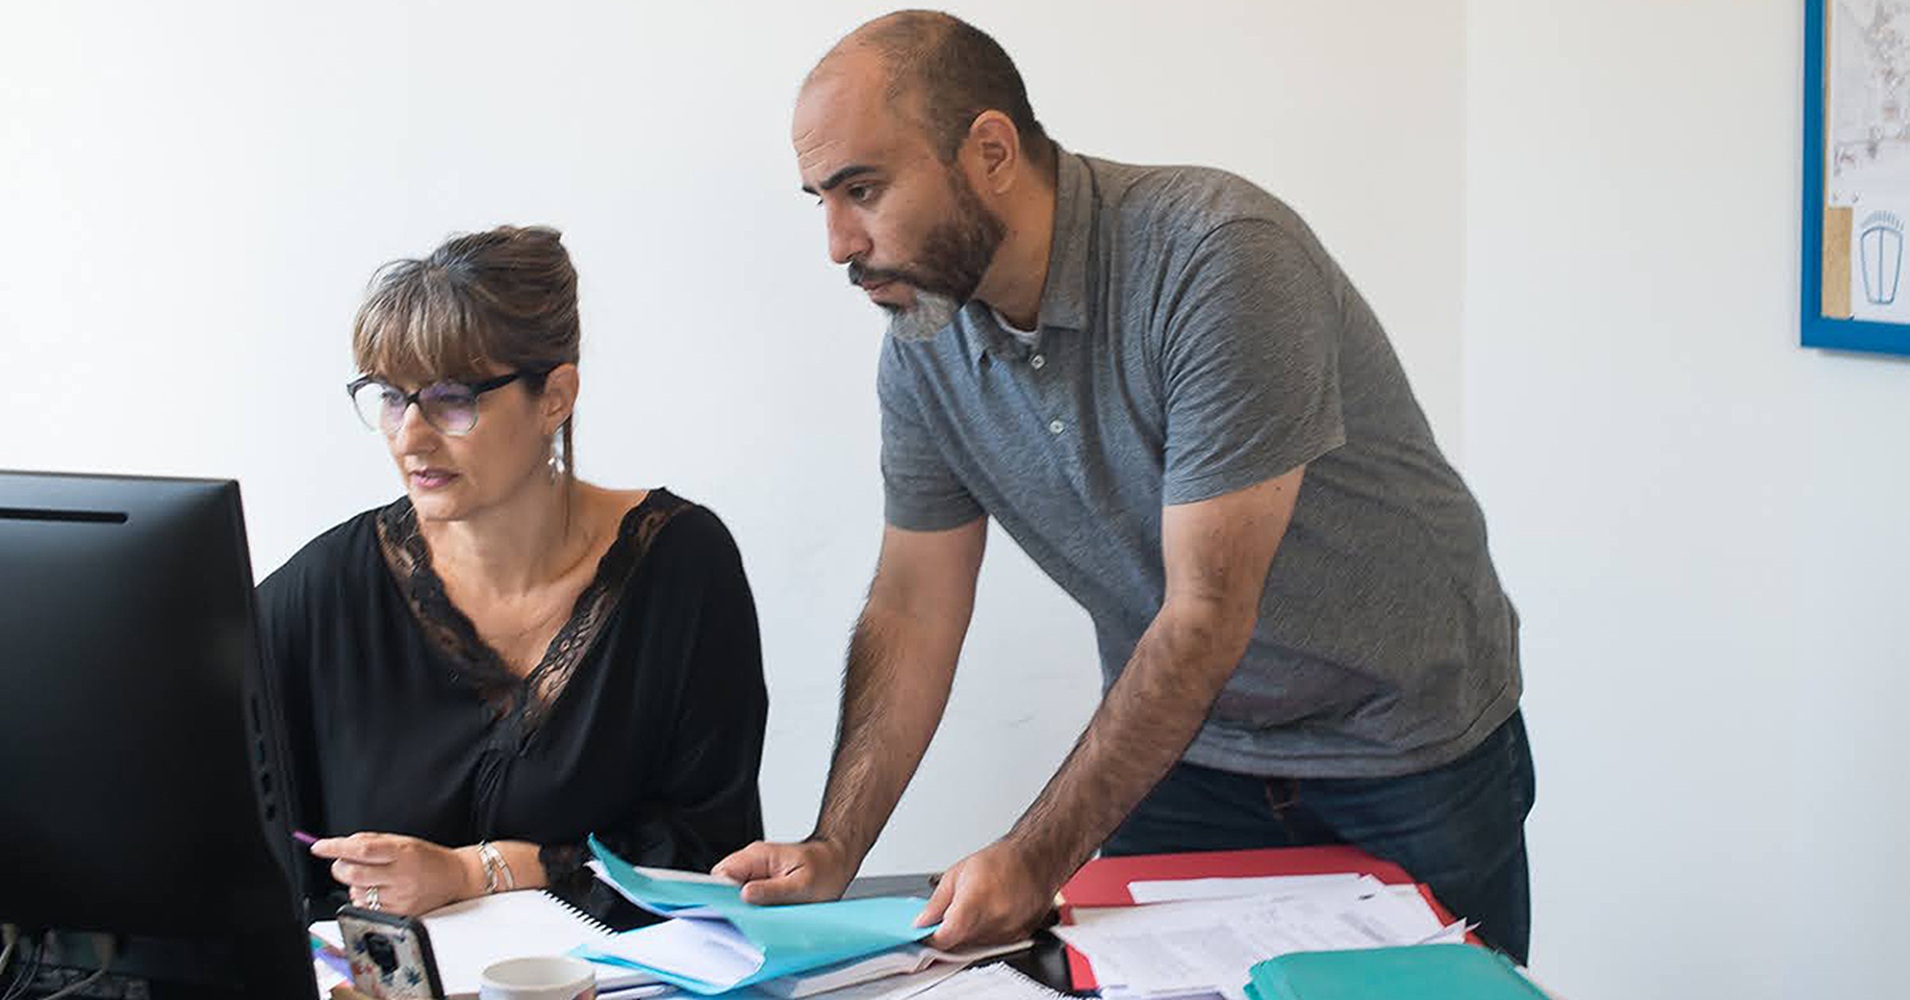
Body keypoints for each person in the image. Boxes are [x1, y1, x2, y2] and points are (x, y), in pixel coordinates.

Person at [716, 11, 1536, 962]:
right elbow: (913, 607)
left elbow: (1206, 616)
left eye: (862, 189)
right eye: (820, 198)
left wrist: (1034, 857)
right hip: (1192, 753)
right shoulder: (924, 343)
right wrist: (834, 846)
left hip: (1406, 748)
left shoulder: (1218, 256)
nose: (836, 242)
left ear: (990, 152)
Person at [258, 225, 767, 917]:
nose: (410, 436)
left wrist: (478, 871)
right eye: (391, 397)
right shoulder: (327, 591)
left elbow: (711, 852)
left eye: (451, 398)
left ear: (555, 396)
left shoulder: (683, 566)